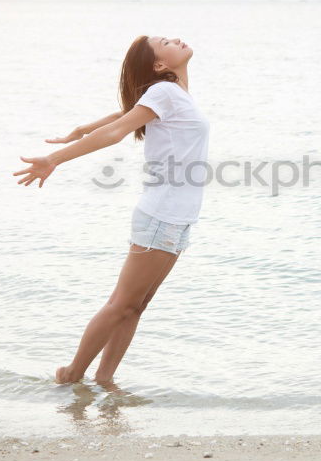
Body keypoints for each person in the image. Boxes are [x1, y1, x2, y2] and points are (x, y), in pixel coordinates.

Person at [12, 35, 210, 384]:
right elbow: (119, 130)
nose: (176, 39)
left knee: (135, 306)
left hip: (178, 216)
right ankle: (71, 374)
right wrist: (54, 159)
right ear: (159, 65)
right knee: (122, 303)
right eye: (166, 42)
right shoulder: (164, 93)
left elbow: (126, 112)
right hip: (162, 214)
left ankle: (104, 380)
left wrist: (82, 129)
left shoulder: (172, 94)